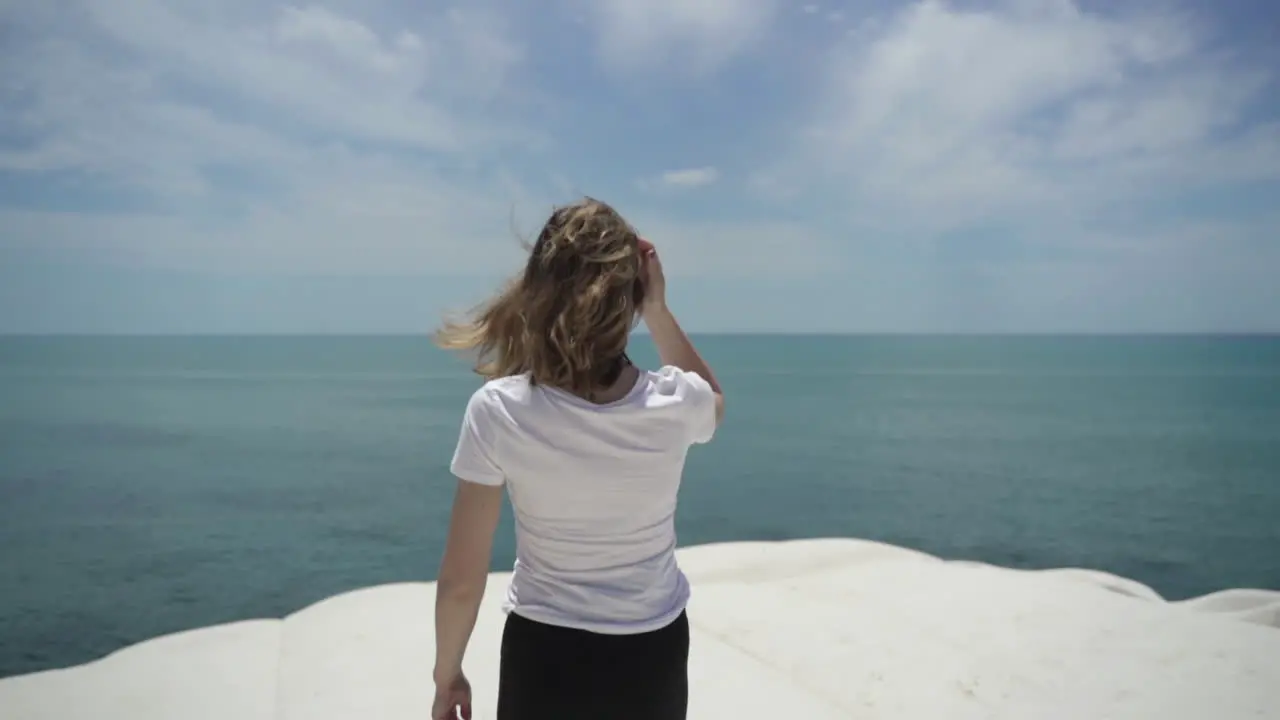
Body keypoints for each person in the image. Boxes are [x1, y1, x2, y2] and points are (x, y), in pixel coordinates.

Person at [429, 197, 725, 720]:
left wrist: (447, 673)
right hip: (650, 657)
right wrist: (657, 308)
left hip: (544, 657)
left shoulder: (500, 411)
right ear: (630, 297)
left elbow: (461, 577)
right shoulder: (675, 404)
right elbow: (713, 400)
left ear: (537, 290)